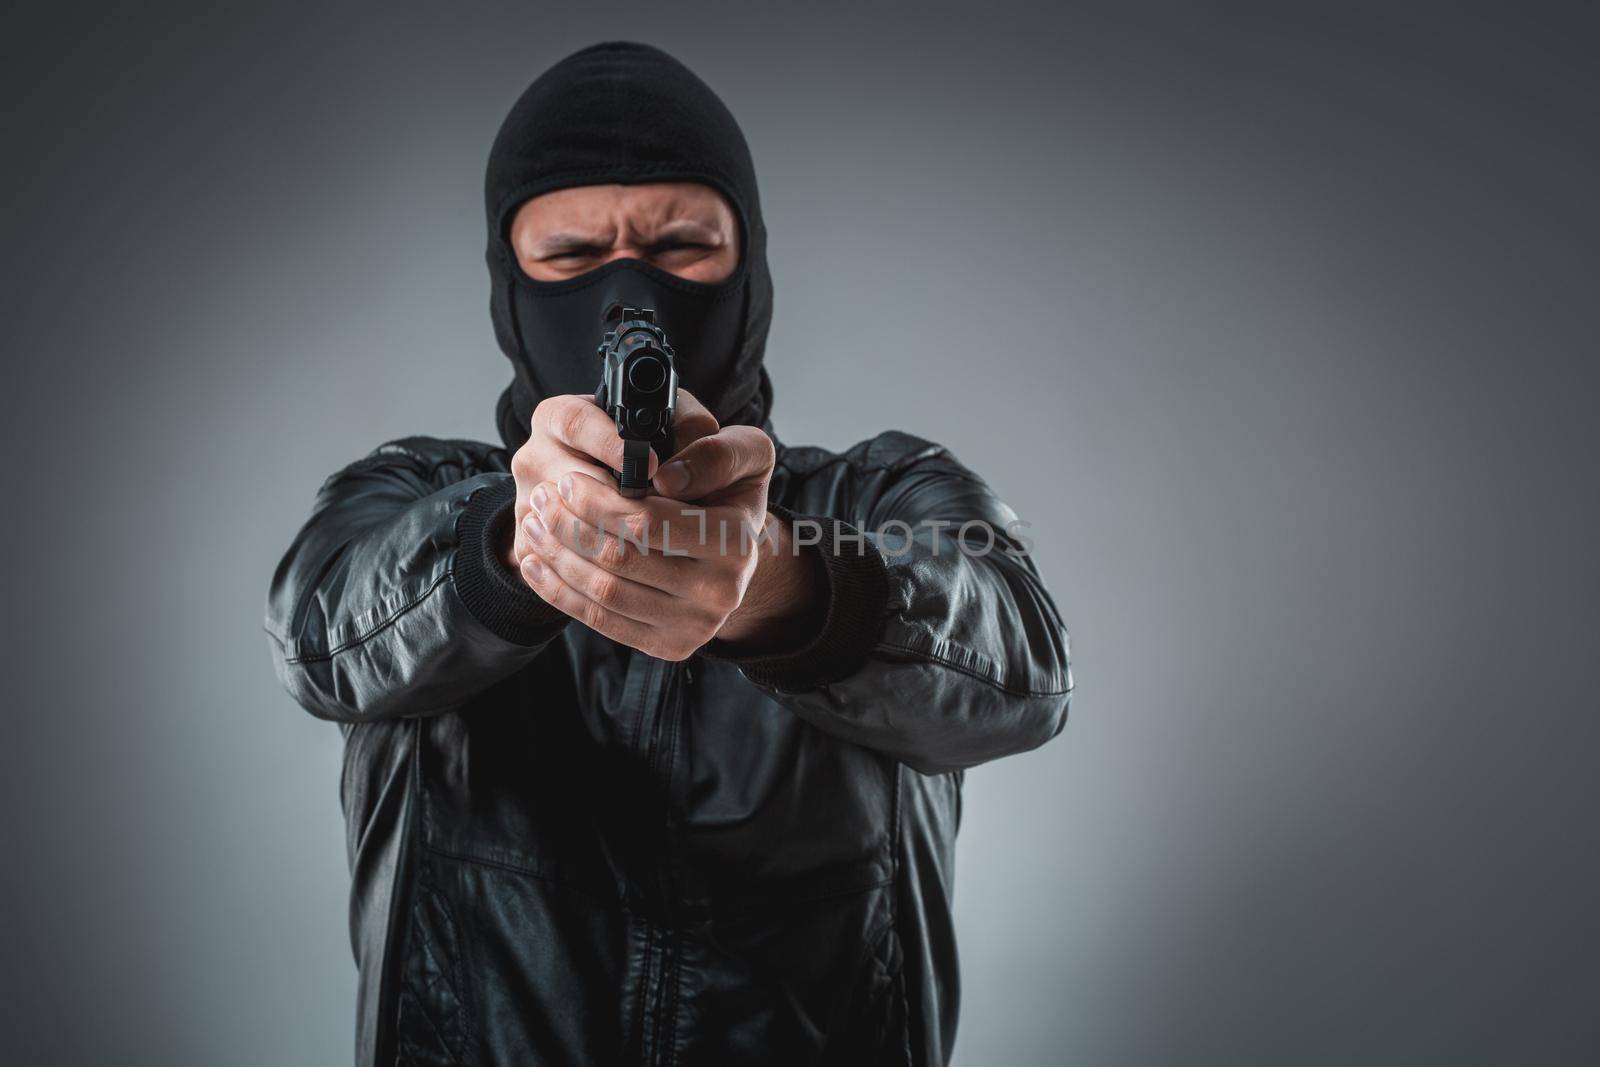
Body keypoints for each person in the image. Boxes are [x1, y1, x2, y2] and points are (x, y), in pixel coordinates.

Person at [266, 40, 1073, 1067]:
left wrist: (795, 586)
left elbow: (1024, 667)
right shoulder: (418, 495)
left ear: (753, 262)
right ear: (508, 284)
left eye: (682, 245)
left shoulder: (876, 500)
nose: (629, 297)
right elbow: (315, 631)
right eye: (569, 256)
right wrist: (514, 548)